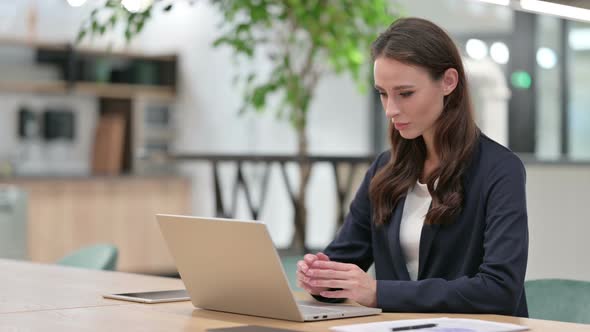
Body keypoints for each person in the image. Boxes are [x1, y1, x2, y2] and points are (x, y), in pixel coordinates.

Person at [296, 17, 528, 317]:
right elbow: (343, 261)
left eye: (405, 93)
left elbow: (500, 290)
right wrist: (320, 277)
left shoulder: (500, 170)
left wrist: (378, 292)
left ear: (448, 82)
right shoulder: (385, 169)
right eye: (382, 93)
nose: (391, 109)